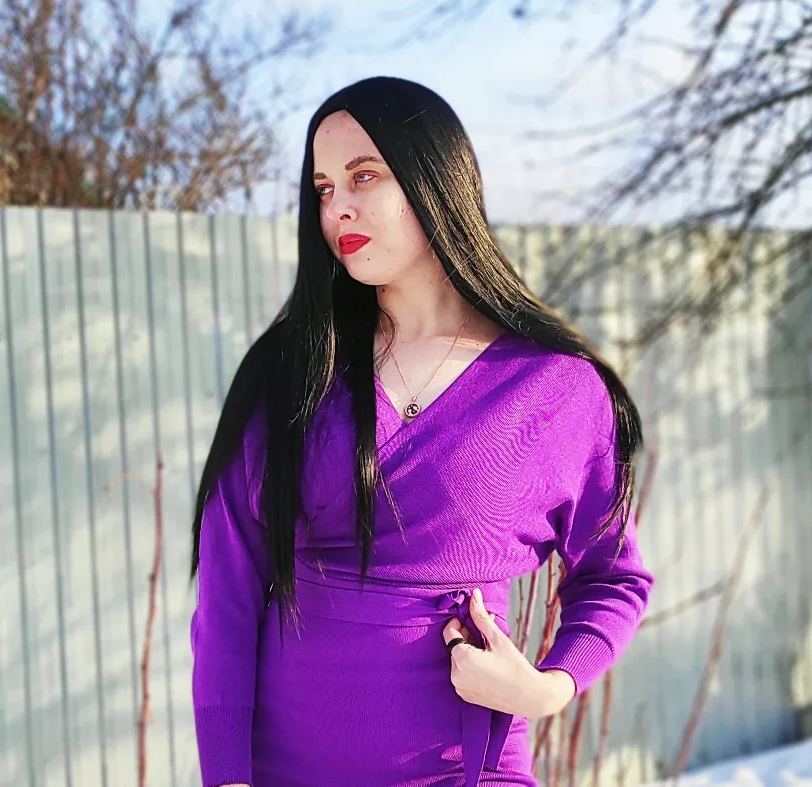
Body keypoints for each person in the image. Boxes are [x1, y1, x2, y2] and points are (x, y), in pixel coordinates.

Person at [188, 76, 653, 787]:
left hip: (468, 768)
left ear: (435, 179)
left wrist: (547, 687)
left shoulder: (554, 387)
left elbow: (613, 574)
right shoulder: (289, 371)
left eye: (362, 176)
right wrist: (225, 776)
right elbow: (228, 593)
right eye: (322, 188)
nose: (337, 207)